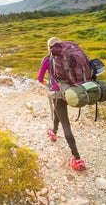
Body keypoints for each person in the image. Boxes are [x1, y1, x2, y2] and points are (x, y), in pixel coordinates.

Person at [37, 37, 86, 171]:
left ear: (49, 47)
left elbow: (40, 79)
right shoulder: (68, 57)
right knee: (60, 113)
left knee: (66, 125)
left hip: (58, 94)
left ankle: (78, 159)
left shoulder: (47, 59)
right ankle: (53, 132)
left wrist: (50, 85)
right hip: (71, 92)